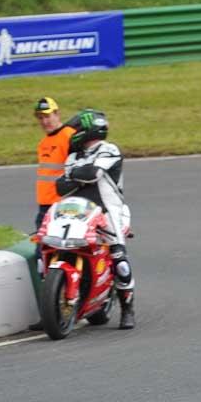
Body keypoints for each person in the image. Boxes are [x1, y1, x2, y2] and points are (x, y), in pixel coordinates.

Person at [56, 109, 135, 330]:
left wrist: (74, 176)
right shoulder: (73, 156)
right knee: (57, 247)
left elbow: (93, 174)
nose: (73, 135)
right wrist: (76, 175)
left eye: (76, 130)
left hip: (109, 212)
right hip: (79, 212)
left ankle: (128, 308)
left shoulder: (109, 149)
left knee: (119, 260)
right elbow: (61, 187)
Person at [29, 97, 76, 330]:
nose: (45, 121)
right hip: (44, 209)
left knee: (67, 254)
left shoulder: (68, 135)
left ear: (57, 113)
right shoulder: (43, 143)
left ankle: (73, 301)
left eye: (48, 116)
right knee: (42, 259)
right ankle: (49, 312)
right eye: (41, 118)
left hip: (65, 208)